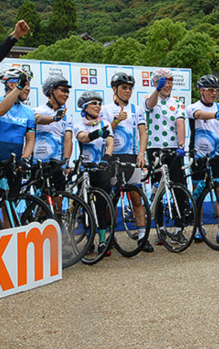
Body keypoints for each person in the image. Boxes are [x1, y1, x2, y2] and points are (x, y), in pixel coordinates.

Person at [102, 72, 152, 252]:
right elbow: (103, 132)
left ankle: (142, 236)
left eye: (130, 88)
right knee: (111, 200)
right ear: (114, 89)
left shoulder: (137, 109)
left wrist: (141, 153)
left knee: (137, 198)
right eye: (124, 88)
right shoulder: (105, 109)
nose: (128, 91)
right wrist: (116, 121)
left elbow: (143, 133)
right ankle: (110, 235)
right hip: (113, 157)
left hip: (131, 157)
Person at [144, 68, 190, 249]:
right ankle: (160, 229)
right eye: (164, 82)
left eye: (170, 82)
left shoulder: (177, 102)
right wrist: (157, 90)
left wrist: (181, 146)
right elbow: (149, 105)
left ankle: (179, 229)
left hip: (173, 150)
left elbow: (180, 123)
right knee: (158, 189)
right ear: (156, 83)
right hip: (155, 149)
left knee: (178, 187)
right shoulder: (150, 99)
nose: (168, 85)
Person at [186, 74, 219, 243]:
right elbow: (198, 115)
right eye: (210, 90)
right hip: (198, 156)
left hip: (216, 156)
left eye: (216, 90)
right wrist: (214, 116)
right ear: (201, 90)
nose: (214, 93)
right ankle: (198, 227)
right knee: (198, 193)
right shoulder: (192, 106)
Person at [73, 91, 114, 255]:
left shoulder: (105, 123)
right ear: (85, 107)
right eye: (94, 103)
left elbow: (110, 143)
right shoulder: (79, 125)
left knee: (101, 206)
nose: (98, 106)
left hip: (101, 169)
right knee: (87, 208)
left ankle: (103, 241)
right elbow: (83, 138)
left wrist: (106, 158)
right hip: (85, 171)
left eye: (99, 103)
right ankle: (89, 241)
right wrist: (97, 133)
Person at [0, 68, 35, 166]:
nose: (28, 89)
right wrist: (19, 87)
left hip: (15, 164)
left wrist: (25, 158)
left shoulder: (29, 113)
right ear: (11, 85)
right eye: (25, 84)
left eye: (29, 85)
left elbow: (31, 140)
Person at [33, 76, 74, 192]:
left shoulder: (68, 117)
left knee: (58, 202)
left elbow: (68, 140)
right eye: (63, 90)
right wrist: (53, 118)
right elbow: (37, 119)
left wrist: (66, 161)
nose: (66, 94)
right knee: (43, 202)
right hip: (38, 163)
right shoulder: (37, 110)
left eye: (68, 91)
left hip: (56, 164)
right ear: (51, 91)